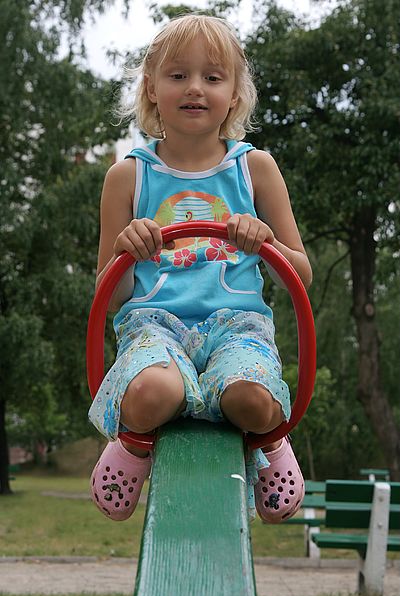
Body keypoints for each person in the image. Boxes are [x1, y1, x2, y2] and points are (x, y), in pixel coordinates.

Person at [88, 13, 313, 523]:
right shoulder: (128, 177)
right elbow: (109, 293)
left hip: (238, 328)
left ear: (234, 94)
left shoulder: (254, 169)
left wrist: (266, 242)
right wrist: (128, 250)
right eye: (177, 75)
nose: (195, 88)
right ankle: (135, 443)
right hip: (155, 325)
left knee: (252, 399)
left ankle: (270, 440)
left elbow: (300, 275)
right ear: (151, 87)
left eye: (213, 77)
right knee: (153, 391)